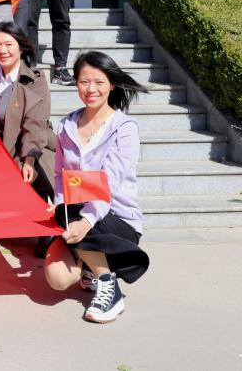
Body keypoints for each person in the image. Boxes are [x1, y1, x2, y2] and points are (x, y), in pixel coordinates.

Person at [44, 50, 151, 324]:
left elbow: (108, 184)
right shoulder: (66, 125)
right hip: (76, 214)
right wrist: (59, 205)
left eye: (99, 82)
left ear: (111, 84)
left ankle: (108, 286)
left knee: (78, 216)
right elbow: (60, 174)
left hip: (116, 220)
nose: (91, 89)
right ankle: (91, 268)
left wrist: (85, 221)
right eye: (84, 81)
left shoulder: (124, 128)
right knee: (57, 278)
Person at [0, 22, 55, 200]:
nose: (3, 50)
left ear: (21, 48)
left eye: (9, 44)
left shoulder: (35, 80)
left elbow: (35, 124)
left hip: (32, 159)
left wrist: (29, 159)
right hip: (1, 160)